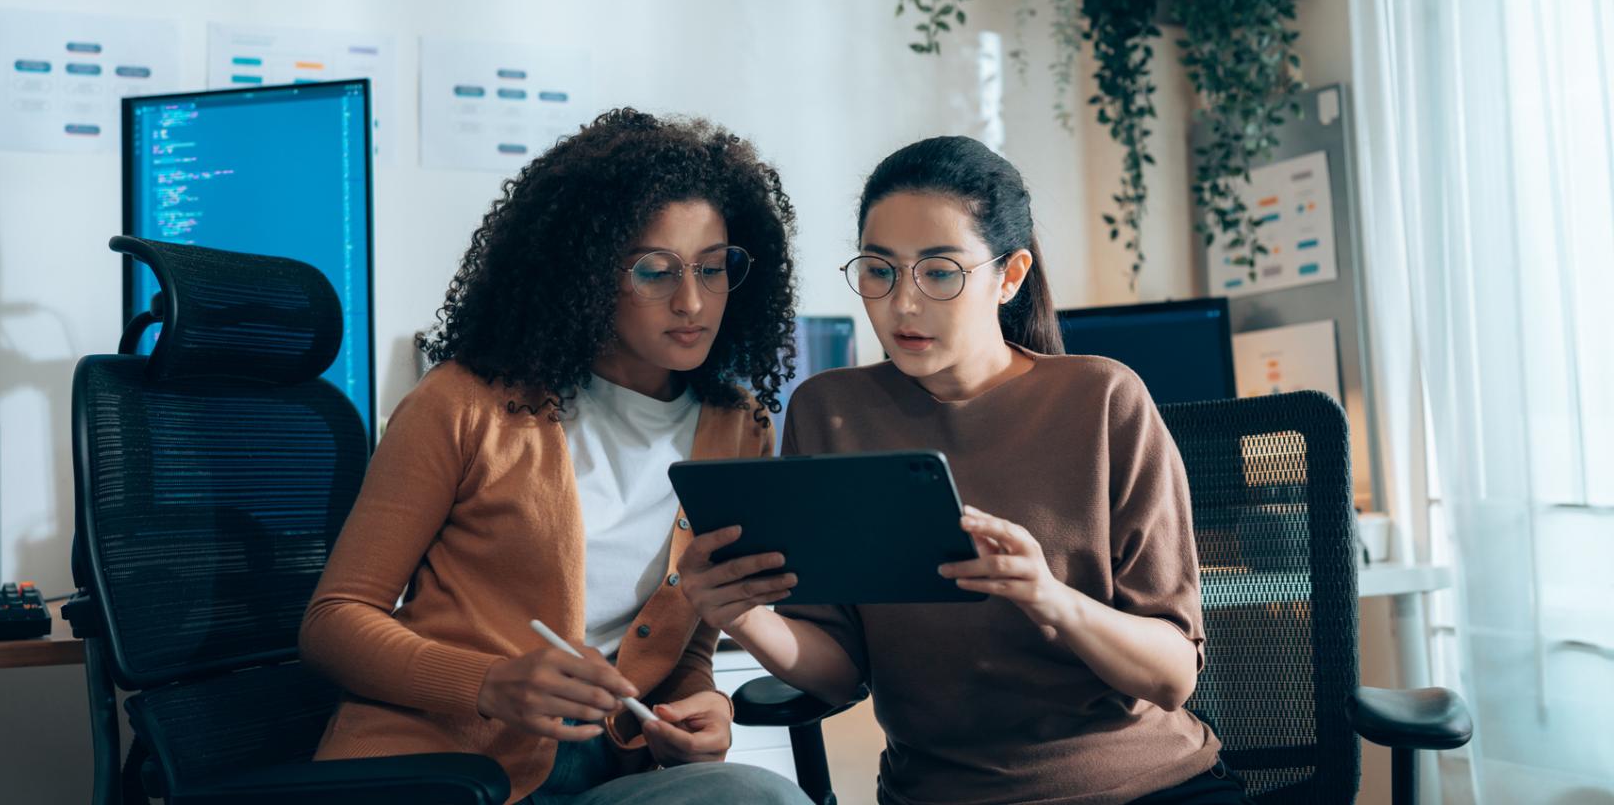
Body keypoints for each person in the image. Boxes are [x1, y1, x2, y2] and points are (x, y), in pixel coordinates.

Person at [677, 136, 1245, 805]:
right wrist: (743, 617)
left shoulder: (1103, 400)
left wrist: (1047, 597)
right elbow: (837, 674)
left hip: (1140, 787)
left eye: (940, 272)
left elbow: (1173, 676)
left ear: (1009, 276)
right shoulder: (830, 412)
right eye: (879, 271)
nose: (903, 305)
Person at [301, 109, 812, 805]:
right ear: (586, 272)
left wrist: (701, 706)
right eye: (654, 271)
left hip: (600, 776)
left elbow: (687, 635)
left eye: (714, 268)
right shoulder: (463, 404)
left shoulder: (738, 428)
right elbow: (333, 623)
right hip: (437, 772)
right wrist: (487, 684)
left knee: (757, 795)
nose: (692, 301)